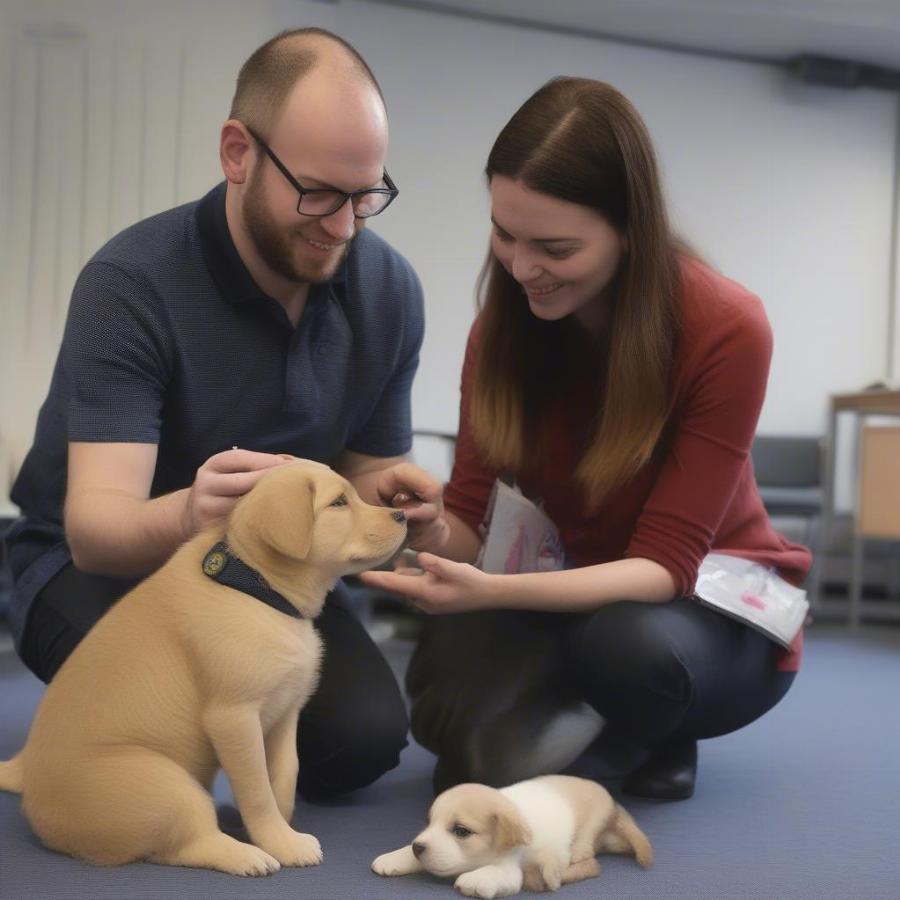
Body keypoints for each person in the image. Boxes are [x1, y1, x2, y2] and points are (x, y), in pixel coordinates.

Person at [4, 27, 448, 801]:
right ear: (238, 153)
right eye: (316, 193)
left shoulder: (391, 292)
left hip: (273, 570)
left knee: (358, 745)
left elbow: (366, 472)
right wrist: (191, 514)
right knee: (169, 733)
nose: (342, 227)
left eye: (366, 196)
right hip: (103, 570)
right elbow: (97, 531)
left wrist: (398, 499)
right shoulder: (130, 284)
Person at [360, 77, 812, 801]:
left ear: (630, 229)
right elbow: (472, 522)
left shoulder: (727, 327)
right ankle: (607, 726)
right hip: (569, 587)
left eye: (556, 247)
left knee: (627, 649)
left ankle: (659, 726)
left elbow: (664, 567)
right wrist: (431, 527)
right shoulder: (500, 332)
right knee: (456, 719)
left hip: (706, 601)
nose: (522, 267)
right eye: (505, 234)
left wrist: (499, 591)